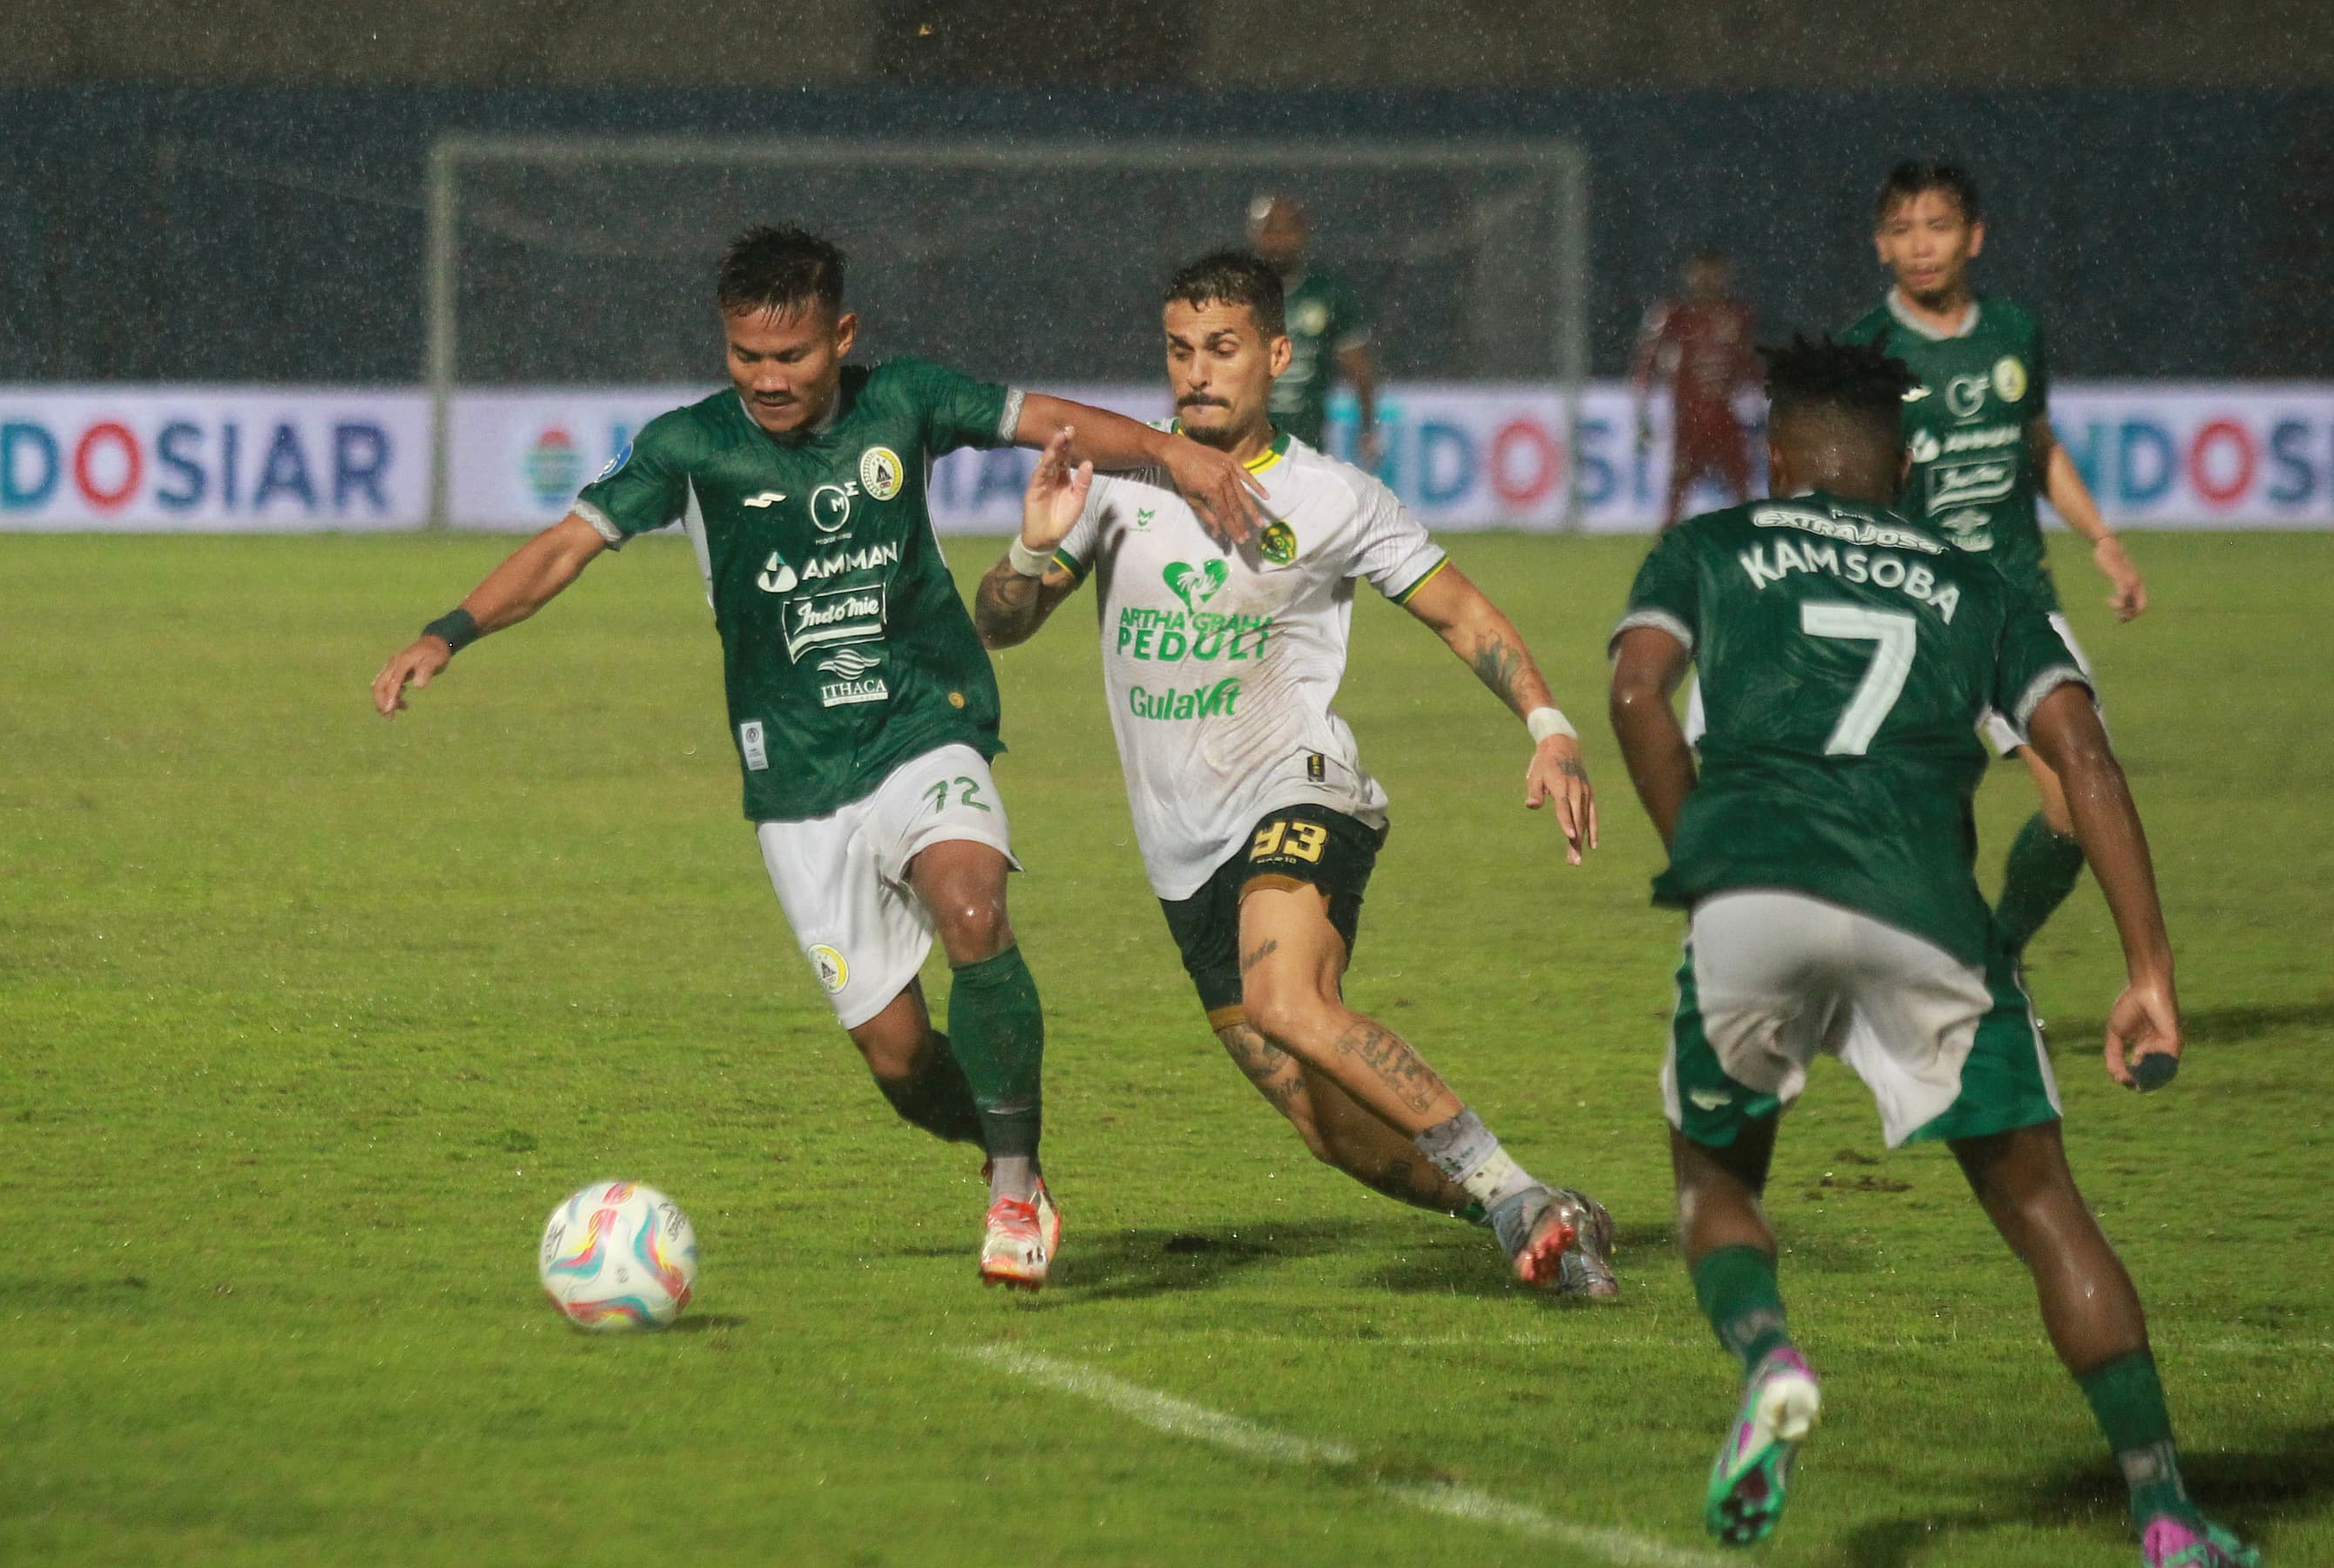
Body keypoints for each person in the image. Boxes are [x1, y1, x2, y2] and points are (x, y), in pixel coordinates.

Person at [371, 223, 1268, 1292]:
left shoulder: (906, 400)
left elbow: (1045, 420)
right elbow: (567, 545)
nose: (767, 378)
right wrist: (448, 632)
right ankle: (1002, 1145)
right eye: (745, 355)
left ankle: (1012, 1186)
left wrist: (1173, 452)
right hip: (796, 780)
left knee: (971, 905)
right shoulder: (689, 447)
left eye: (791, 355)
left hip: (921, 722)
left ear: (840, 336)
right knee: (899, 1061)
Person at [1605, 335, 2260, 1568]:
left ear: (1777, 458)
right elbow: (2084, 760)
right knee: (2044, 1208)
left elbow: (1638, 693)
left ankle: (1770, 1359)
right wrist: (2149, 967)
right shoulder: (1979, 582)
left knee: (1716, 1175)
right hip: (1928, 911)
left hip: (1754, 897)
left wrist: (1708, 855)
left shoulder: (1712, 545)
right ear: (1903, 468)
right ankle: (2167, 1518)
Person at [974, 250, 1617, 1299]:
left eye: (1222, 349)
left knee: (1287, 998)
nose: (1197, 371)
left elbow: (1459, 610)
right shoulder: (1115, 483)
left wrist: (1548, 725)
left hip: (1301, 786)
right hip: (1181, 848)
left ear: (1276, 356)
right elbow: (999, 625)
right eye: (1180, 349)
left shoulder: (1331, 495)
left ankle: (1518, 1194)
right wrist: (1034, 548)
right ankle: (1522, 1204)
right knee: (1328, 1128)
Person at [1842, 159, 2149, 965]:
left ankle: (1994, 959)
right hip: (1914, 611)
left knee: (2079, 809)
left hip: (2017, 603)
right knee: (1906, 827)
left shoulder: (2014, 332)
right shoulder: (1864, 349)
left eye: (1938, 226)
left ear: (1973, 236)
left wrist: (2102, 539)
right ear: (1880, 245)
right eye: (1902, 230)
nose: (1921, 246)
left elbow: (2037, 445)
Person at [1630, 248, 1763, 531]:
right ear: (1690, 275)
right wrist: (1643, 413)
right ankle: (1665, 553)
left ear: (1724, 275)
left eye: (1713, 272)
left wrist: (1762, 404)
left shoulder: (1737, 314)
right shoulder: (1674, 314)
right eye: (1701, 272)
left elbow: (1748, 364)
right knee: (1676, 498)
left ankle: (1751, 551)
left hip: (1725, 421)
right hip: (1688, 423)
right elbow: (1647, 365)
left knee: (1743, 492)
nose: (1707, 279)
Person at [1246, 195, 1381, 467]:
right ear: (1254, 235)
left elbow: (1359, 370)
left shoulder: (1327, 293)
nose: (1278, 240)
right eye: (1270, 230)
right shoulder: (1235, 291)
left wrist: (1368, 428)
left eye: (1287, 229)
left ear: (1302, 234)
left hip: (1305, 446)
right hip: (1242, 445)